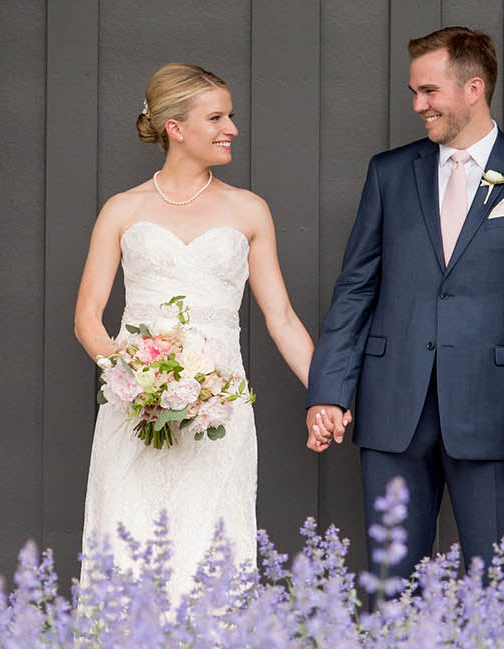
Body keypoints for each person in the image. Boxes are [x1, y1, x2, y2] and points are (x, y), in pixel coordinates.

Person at [305, 27, 504, 580]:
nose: (417, 105)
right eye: (414, 92)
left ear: (473, 88)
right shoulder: (388, 173)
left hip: (497, 416)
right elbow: (355, 288)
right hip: (392, 410)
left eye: (429, 92)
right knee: (389, 583)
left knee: (495, 585)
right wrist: (329, 391)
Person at [72, 62, 327, 604]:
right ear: (175, 127)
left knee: (209, 548)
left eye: (230, 116)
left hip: (220, 409)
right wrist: (136, 380)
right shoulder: (122, 209)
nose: (231, 127)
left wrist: (327, 393)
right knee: (126, 547)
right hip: (131, 409)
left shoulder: (249, 210)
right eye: (216, 117)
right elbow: (88, 318)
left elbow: (280, 318)